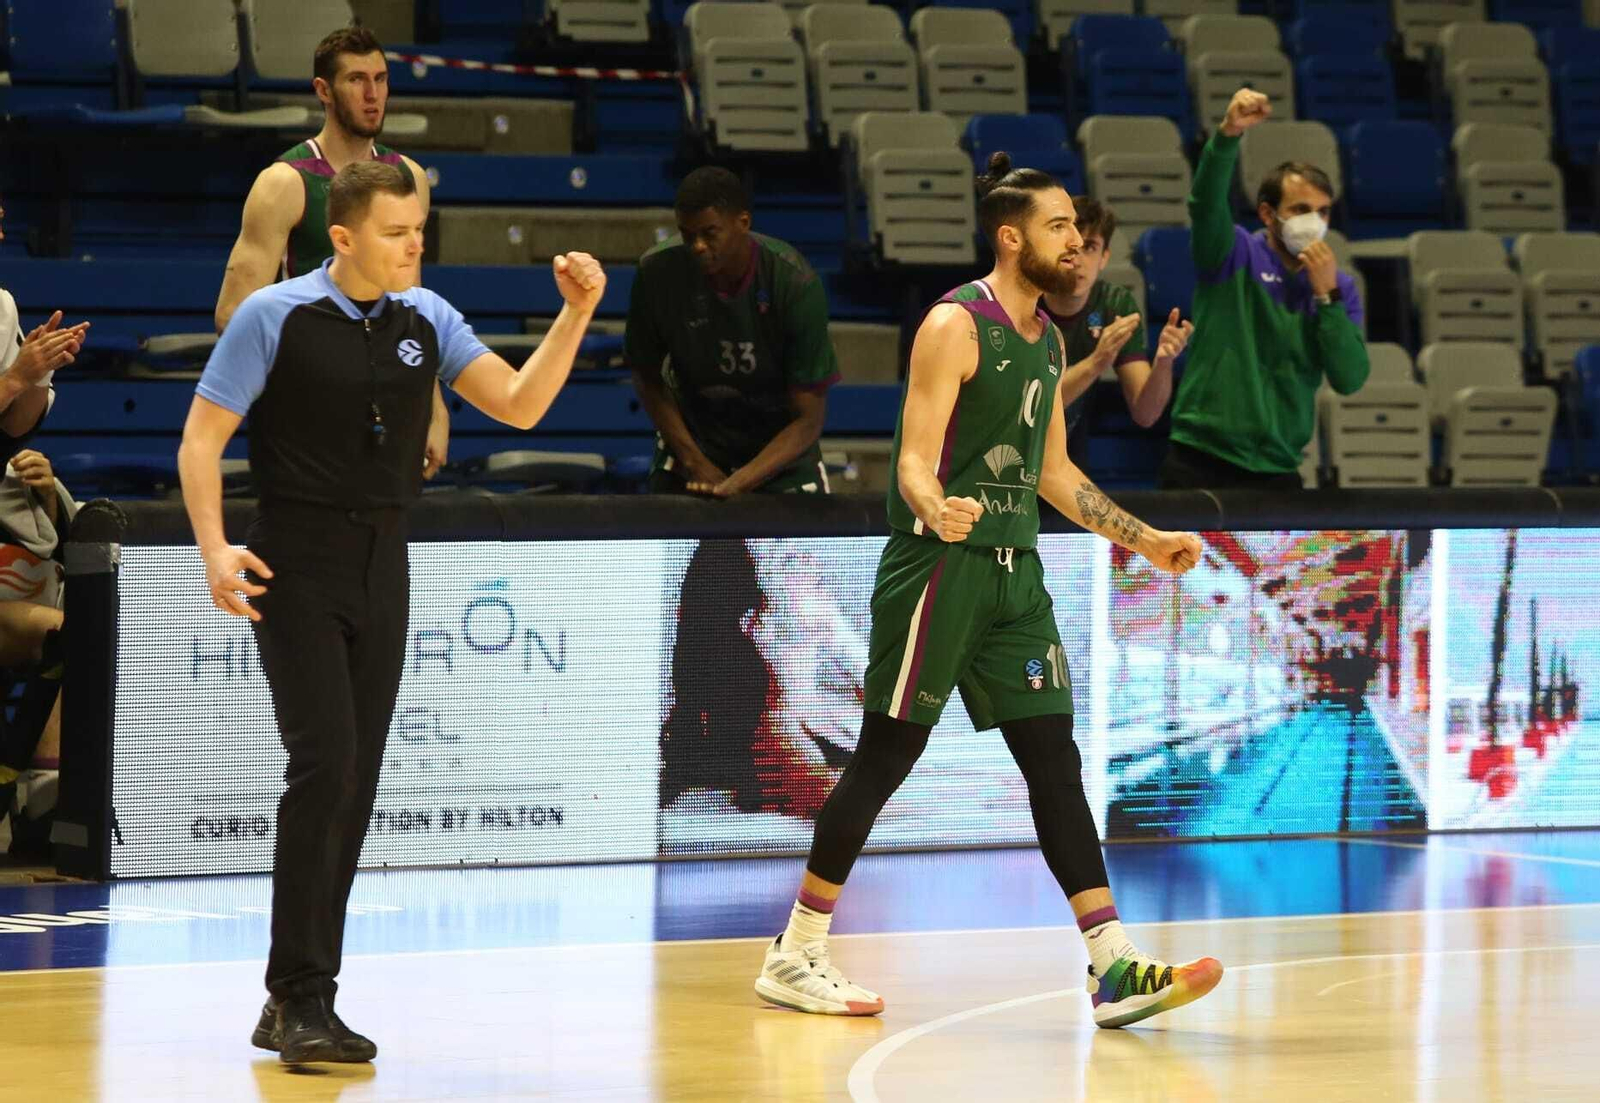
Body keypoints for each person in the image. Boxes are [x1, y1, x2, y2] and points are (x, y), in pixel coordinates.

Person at [754, 154, 1222, 1029]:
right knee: (887, 757)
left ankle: (1112, 965)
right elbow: (910, 457)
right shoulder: (955, 324)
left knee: (1054, 759)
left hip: (1017, 578)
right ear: (1011, 238)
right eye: (1058, 229)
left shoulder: (1049, 340)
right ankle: (796, 949)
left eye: (1079, 235)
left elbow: (1053, 473)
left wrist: (1142, 537)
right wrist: (933, 501)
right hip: (940, 568)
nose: (1076, 244)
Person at [178, 161, 605, 1064]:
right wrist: (216, 548)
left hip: (385, 558)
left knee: (357, 780)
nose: (416, 243)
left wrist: (574, 313)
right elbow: (201, 439)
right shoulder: (275, 315)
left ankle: (302, 996)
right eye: (396, 231)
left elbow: (521, 405)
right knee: (324, 762)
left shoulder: (429, 319)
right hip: (292, 556)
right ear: (343, 237)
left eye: (420, 229)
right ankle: (296, 996)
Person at [213, 25, 451, 481]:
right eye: (356, 79)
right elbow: (232, 315)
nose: (372, 93)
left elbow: (411, 304)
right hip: (310, 409)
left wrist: (432, 406)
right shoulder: (286, 182)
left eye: (380, 79)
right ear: (323, 90)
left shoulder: (409, 179)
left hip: (388, 397)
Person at [1160, 89, 1369, 490]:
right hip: (1200, 461)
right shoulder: (1232, 253)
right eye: (1301, 210)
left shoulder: (1340, 287)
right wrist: (1227, 136)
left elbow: (1350, 378)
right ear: (1267, 214)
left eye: (1322, 212)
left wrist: (1327, 299)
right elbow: (1204, 203)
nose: (1314, 222)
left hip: (1279, 471)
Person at [627, 167, 839, 495]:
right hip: (697, 440)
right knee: (672, 539)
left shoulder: (794, 282)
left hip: (777, 444)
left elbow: (809, 419)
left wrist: (738, 483)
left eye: (709, 233)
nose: (697, 246)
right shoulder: (656, 273)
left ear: (743, 222)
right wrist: (696, 463)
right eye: (687, 235)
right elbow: (646, 376)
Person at [1040, 195, 1191, 464]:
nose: (1078, 259)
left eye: (1089, 247)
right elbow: (1033, 409)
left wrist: (1164, 362)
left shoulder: (1114, 303)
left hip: (1067, 461)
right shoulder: (1026, 301)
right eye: (1071, 246)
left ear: (1104, 258)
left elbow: (1145, 414)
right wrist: (1097, 362)